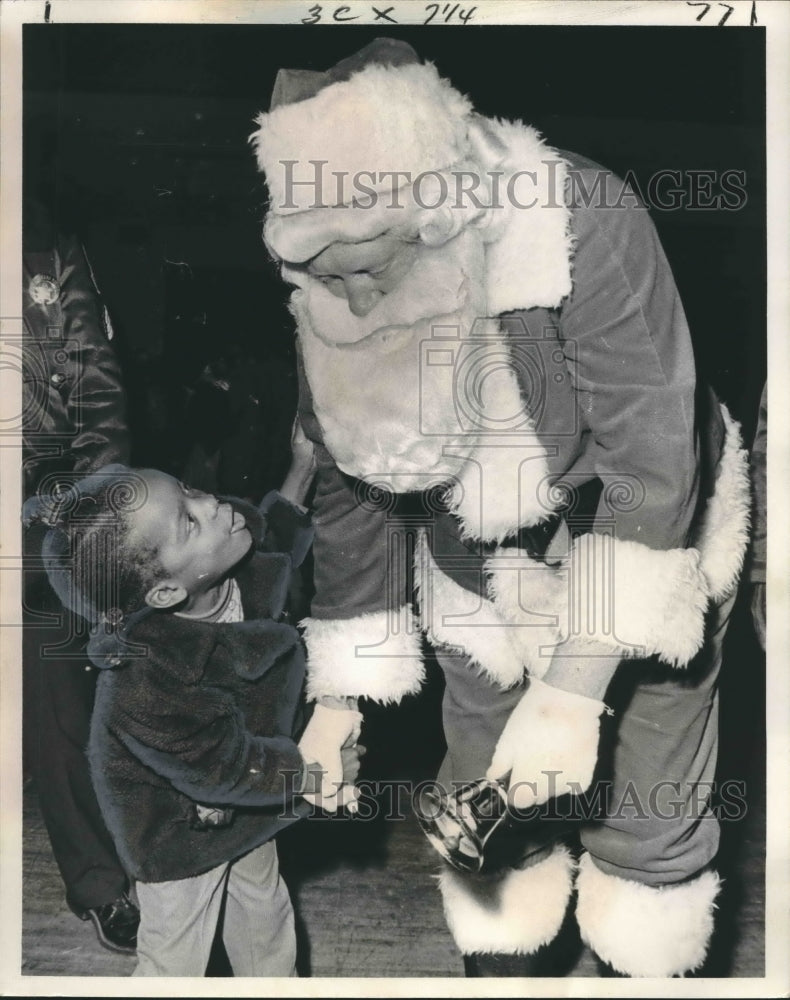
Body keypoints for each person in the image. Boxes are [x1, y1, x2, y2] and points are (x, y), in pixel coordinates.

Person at [249, 38, 752, 978]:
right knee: (486, 801)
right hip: (474, 560)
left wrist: (571, 690)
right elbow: (354, 489)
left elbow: (652, 464)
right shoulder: (328, 284)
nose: (354, 299)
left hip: (644, 534)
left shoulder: (581, 216)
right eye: (327, 276)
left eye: (373, 264)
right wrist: (342, 697)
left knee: (648, 815)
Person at [22, 455, 362, 977]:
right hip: (175, 832)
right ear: (165, 592)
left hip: (250, 801)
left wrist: (299, 470)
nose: (212, 503)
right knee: (176, 955)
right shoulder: (147, 679)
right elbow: (217, 766)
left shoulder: (229, 572)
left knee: (265, 916)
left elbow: (278, 549)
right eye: (189, 520)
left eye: (190, 490)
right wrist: (314, 773)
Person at [22, 197, 140, 952]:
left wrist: (87, 512)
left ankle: (103, 880)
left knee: (60, 688)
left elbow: (98, 386)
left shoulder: (47, 244)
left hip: (46, 497)